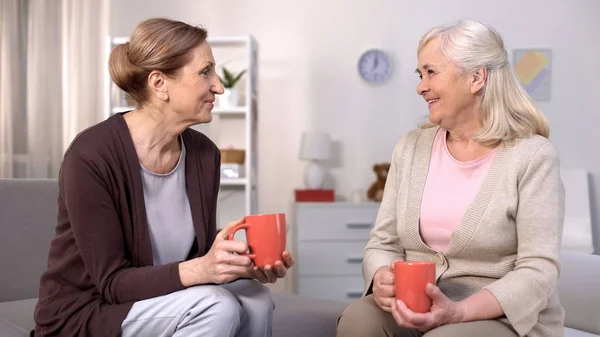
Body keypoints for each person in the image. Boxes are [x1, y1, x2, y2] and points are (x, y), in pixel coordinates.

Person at [33, 17, 294, 337]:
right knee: (216, 306)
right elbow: (112, 284)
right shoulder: (91, 155)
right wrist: (204, 268)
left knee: (256, 299)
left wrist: (239, 265)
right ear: (159, 84)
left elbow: (192, 258)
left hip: (163, 299)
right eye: (205, 71)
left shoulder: (204, 154)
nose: (219, 86)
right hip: (89, 309)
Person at [337, 19, 564, 337]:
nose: (420, 86)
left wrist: (457, 312)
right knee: (359, 320)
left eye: (431, 72)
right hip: (412, 306)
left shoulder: (533, 156)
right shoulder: (411, 147)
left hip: (498, 317)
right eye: (420, 75)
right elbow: (382, 243)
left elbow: (539, 270)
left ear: (476, 77)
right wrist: (380, 276)